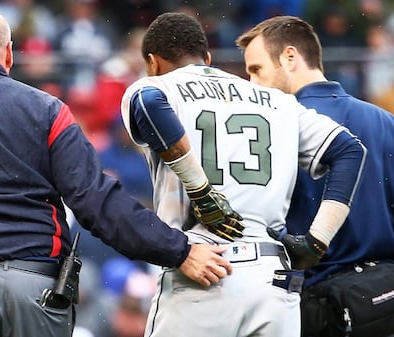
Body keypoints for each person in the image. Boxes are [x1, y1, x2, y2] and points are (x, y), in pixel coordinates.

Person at [0, 7, 235, 337]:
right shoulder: (47, 110)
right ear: (8, 54)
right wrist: (181, 251)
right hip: (35, 290)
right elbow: (96, 201)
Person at [235, 15, 394, 337]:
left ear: (290, 57)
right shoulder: (388, 125)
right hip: (384, 308)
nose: (251, 83)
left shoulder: (275, 128)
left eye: (256, 69)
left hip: (311, 312)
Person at [119, 12, 366, 337]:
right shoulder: (278, 100)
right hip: (271, 280)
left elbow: (148, 102)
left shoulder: (158, 85)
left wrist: (201, 190)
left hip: (200, 269)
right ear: (207, 58)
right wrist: (317, 239)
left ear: (152, 62)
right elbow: (349, 150)